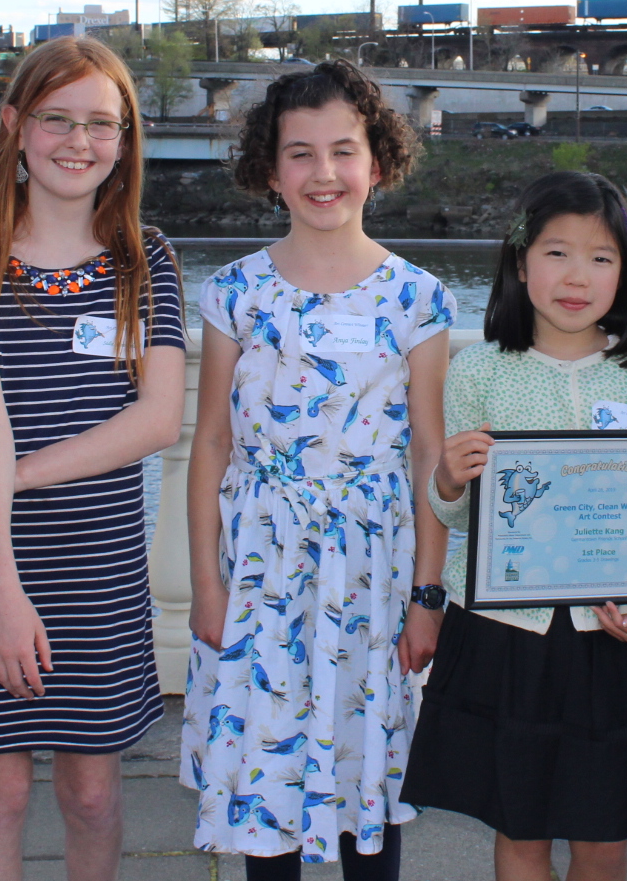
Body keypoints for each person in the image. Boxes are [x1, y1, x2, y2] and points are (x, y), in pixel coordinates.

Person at [0, 36, 187, 881]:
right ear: (13, 126)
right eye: (56, 118)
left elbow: (157, 421)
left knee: (93, 798)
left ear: (126, 139)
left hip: (97, 568)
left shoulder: (147, 261)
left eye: (102, 123)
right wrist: (1, 592)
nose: (78, 141)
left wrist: (16, 474)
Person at [181, 59, 453, 878]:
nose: (324, 173)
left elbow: (430, 455)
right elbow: (212, 444)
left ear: (378, 161)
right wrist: (205, 583)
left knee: (369, 773)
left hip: (373, 574)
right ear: (270, 169)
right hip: (262, 569)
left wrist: (428, 596)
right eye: (300, 153)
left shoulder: (419, 298)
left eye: (344, 150)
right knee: (266, 782)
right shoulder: (237, 292)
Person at [403, 170, 627, 881]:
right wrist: (450, 478)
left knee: (603, 832)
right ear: (521, 264)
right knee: (519, 828)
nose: (577, 275)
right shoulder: (480, 372)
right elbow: (451, 513)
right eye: (557, 252)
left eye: (601, 256)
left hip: (600, 635)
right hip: (503, 630)